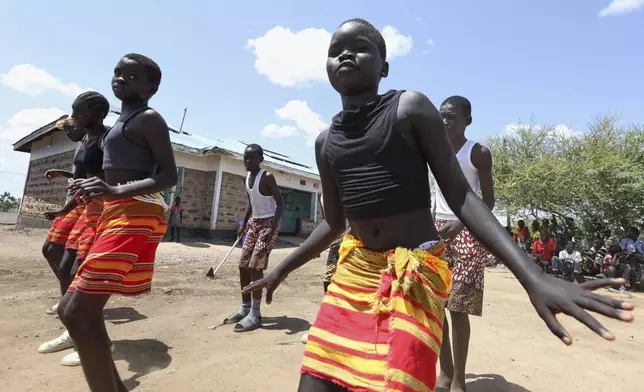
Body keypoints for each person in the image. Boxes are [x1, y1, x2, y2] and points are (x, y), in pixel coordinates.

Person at [242, 18, 633, 392]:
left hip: (413, 273)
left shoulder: (409, 109)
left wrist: (534, 277)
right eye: (336, 50)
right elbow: (334, 222)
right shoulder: (326, 142)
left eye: (360, 48)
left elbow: (463, 196)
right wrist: (280, 270)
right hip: (355, 274)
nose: (345, 55)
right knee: (318, 377)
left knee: (398, 382)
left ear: (384, 68)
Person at [58, 53, 177, 392]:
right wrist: (95, 189)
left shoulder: (149, 119)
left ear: (152, 87)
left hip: (138, 210)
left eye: (133, 76)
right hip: (116, 209)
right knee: (72, 309)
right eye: (117, 73)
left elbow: (168, 175)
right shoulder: (121, 125)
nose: (121, 79)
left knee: (78, 311)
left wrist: (113, 189)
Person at [38, 92, 112, 365]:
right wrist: (68, 177)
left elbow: (104, 177)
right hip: (82, 203)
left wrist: (64, 208)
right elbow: (85, 175)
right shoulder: (85, 140)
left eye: (77, 112)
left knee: (78, 268)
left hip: (99, 207)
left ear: (95, 114)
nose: (73, 117)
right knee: (55, 252)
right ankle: (73, 323)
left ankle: (87, 330)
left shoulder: (108, 140)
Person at [432, 95, 495, 392]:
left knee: (458, 307)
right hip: (435, 231)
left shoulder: (478, 153)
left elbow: (489, 201)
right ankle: (445, 371)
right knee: (436, 304)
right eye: (442, 115)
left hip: (467, 229)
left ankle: (459, 381)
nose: (445, 120)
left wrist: (461, 222)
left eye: (451, 116)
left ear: (467, 120)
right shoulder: (432, 151)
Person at [223, 144, 284, 333]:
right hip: (254, 222)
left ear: (261, 159)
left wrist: (271, 230)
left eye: (251, 158)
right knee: (243, 264)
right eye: (245, 158)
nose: (247, 161)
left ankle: (256, 314)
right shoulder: (246, 178)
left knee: (255, 265)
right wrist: (243, 224)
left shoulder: (267, 177)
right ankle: (245, 307)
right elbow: (251, 203)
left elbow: (280, 204)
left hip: (269, 223)